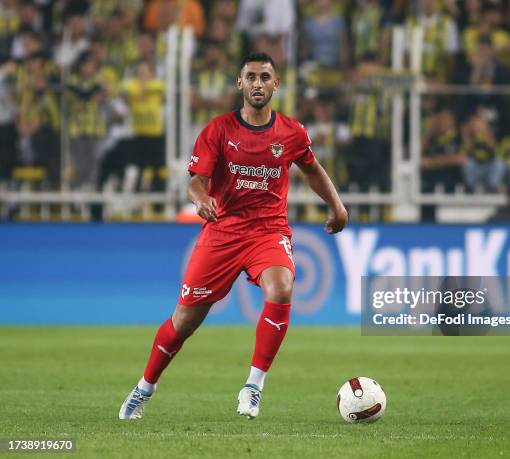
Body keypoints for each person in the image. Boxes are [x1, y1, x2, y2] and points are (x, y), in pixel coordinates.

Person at [119, 52, 348, 420]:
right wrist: (200, 199)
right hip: (222, 232)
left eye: (265, 77)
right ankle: (145, 387)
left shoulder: (291, 132)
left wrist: (337, 206)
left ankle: (253, 386)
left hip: (267, 231)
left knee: (282, 288)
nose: (258, 83)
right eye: (251, 77)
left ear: (276, 84)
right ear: (239, 84)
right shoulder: (218, 130)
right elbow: (196, 181)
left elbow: (312, 169)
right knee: (183, 322)